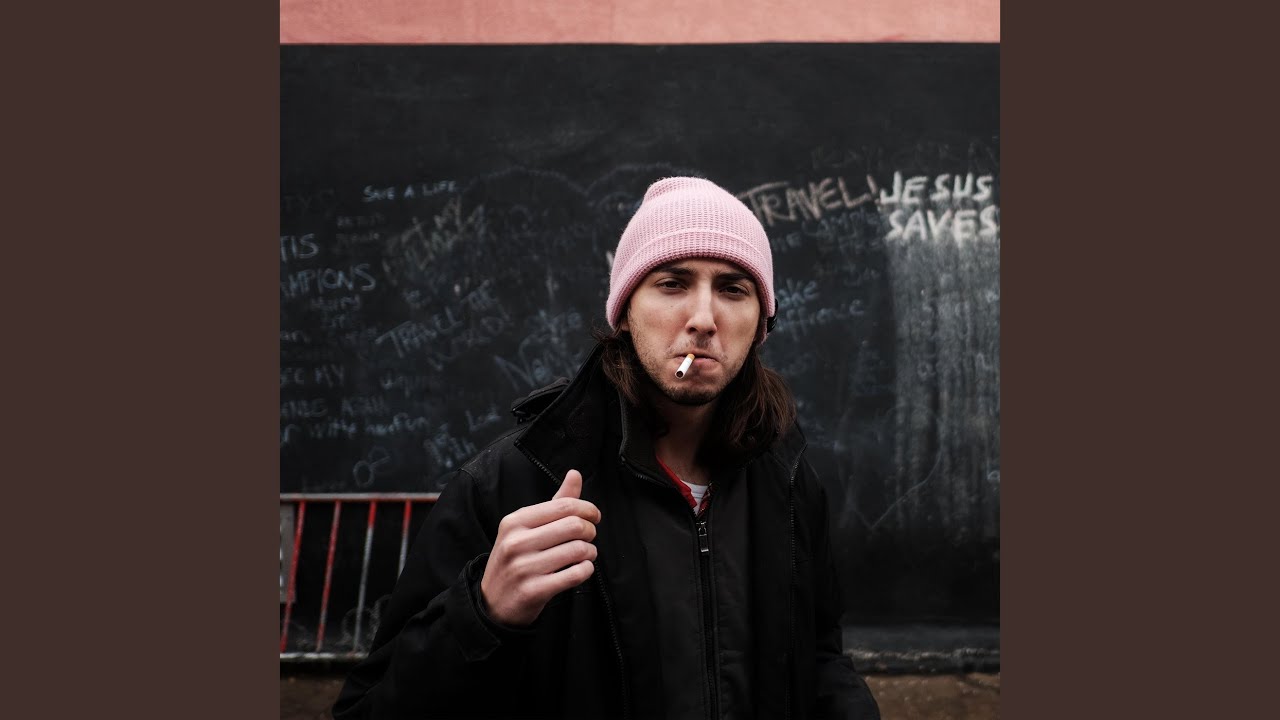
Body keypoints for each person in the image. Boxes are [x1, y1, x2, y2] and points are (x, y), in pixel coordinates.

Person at [333, 177, 881, 719]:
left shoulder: (787, 478)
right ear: (623, 312)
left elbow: (817, 659)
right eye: (672, 283)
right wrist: (484, 613)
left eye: (733, 289)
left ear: (762, 322)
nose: (703, 320)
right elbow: (369, 710)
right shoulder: (514, 483)